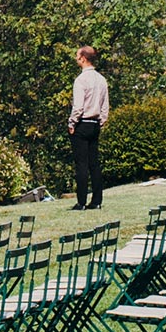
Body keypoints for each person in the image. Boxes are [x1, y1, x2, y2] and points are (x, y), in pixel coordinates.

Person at [67, 46, 110, 210]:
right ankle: (97, 200)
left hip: (82, 123)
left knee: (81, 164)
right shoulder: (101, 79)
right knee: (94, 164)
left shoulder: (81, 80)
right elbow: (105, 105)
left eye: (78, 55)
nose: (76, 58)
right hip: (95, 123)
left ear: (83, 58)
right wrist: (102, 120)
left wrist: (72, 123)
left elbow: (78, 106)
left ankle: (81, 201)